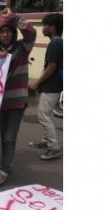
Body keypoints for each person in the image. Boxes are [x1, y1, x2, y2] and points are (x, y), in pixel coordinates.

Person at [0, 8, 37, 187]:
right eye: (2, 32)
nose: (5, 35)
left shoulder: (23, 48)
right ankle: (5, 164)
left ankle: (5, 170)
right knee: (2, 134)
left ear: (14, 33)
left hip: (16, 101)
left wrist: (13, 17)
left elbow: (31, 32)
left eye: (8, 31)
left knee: (9, 137)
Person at [29, 13, 63, 160]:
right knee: (47, 114)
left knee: (43, 116)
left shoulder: (55, 43)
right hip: (54, 85)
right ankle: (46, 141)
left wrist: (36, 82)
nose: (43, 29)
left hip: (52, 86)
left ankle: (54, 147)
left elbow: (51, 67)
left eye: (45, 26)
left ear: (52, 27)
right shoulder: (58, 42)